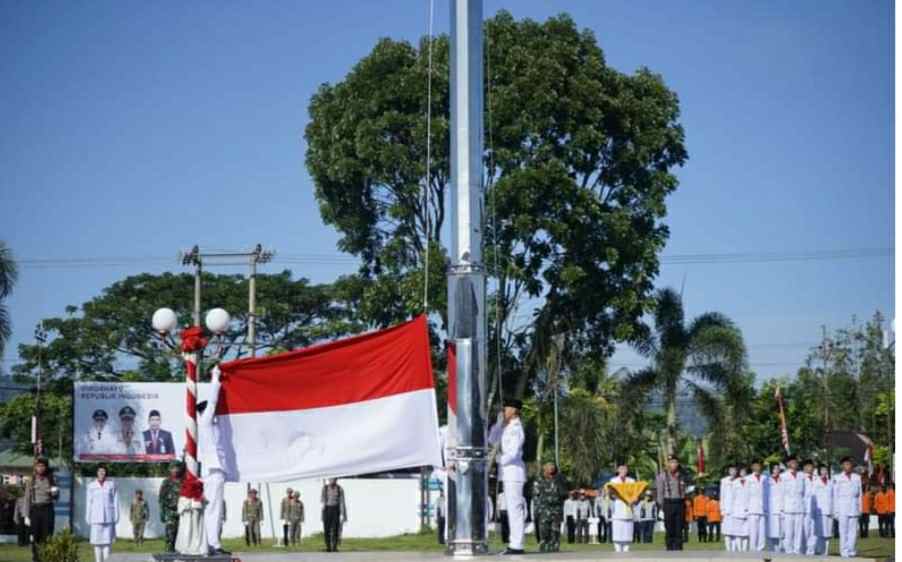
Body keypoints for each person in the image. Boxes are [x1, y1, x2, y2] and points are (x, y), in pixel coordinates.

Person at [487, 397, 527, 555]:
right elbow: (492, 439)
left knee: (515, 509)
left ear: (513, 411)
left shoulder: (516, 428)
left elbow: (513, 453)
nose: (503, 411)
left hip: (514, 472)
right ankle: (514, 543)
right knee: (511, 509)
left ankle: (517, 545)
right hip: (507, 473)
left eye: (506, 409)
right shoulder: (506, 426)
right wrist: (498, 424)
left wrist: (497, 460)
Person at [199, 365, 230, 556]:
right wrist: (215, 378)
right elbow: (212, 402)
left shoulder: (210, 426)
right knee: (214, 510)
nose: (215, 413)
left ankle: (211, 543)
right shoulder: (204, 422)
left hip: (214, 470)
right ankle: (213, 544)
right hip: (213, 471)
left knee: (214, 510)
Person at [24, 457, 58, 562]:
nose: (40, 468)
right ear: (35, 467)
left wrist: (55, 493)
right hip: (35, 510)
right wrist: (26, 515)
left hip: (47, 509)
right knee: (35, 537)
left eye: (43, 466)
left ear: (46, 467)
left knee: (47, 536)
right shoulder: (31, 480)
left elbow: (56, 497)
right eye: (38, 466)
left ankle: (46, 558)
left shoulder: (51, 479)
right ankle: (36, 559)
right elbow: (27, 498)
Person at [86, 465, 119, 562]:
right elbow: (89, 502)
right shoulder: (91, 485)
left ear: (106, 473)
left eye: (103, 471)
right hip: (95, 518)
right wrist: (88, 516)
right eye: (100, 471)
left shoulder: (111, 485)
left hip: (108, 517)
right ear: (97, 472)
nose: (102, 473)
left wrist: (116, 515)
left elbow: (115, 500)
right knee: (97, 543)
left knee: (107, 543)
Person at [534, 462, 568, 552]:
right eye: (549, 467)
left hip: (556, 509)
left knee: (555, 530)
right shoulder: (539, 480)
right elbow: (536, 496)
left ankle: (555, 546)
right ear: (545, 469)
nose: (552, 469)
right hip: (544, 509)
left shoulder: (559, 479)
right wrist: (537, 510)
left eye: (553, 467)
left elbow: (564, 493)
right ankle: (543, 545)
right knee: (544, 529)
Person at [833, 456, 862, 558]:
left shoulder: (857, 477)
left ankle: (852, 550)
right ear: (842, 466)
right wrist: (836, 511)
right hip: (842, 507)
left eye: (849, 464)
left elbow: (860, 495)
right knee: (843, 531)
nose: (848, 466)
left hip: (854, 506)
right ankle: (844, 552)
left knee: (853, 531)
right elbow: (835, 495)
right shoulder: (837, 477)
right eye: (846, 464)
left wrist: (860, 508)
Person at [656, 455, 687, 551]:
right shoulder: (662, 475)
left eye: (675, 462)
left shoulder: (682, 475)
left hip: (680, 502)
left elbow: (688, 488)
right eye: (671, 462)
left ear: (678, 464)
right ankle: (669, 547)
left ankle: (678, 547)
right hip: (668, 502)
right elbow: (660, 492)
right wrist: (661, 506)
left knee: (679, 527)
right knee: (669, 527)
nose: (673, 464)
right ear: (668, 464)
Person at [781, 455, 807, 555]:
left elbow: (804, 492)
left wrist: (803, 506)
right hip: (788, 506)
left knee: (798, 531)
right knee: (789, 531)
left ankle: (797, 550)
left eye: (796, 462)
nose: (794, 464)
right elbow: (781, 493)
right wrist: (782, 509)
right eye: (792, 462)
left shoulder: (801, 475)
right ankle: (789, 551)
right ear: (788, 464)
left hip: (799, 506)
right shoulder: (784, 476)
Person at [609, 463, 637, 553]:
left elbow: (635, 493)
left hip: (629, 506)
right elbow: (611, 494)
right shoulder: (613, 481)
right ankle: (617, 548)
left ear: (627, 470)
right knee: (618, 528)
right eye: (621, 469)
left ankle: (627, 548)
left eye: (625, 469)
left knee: (627, 529)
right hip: (618, 505)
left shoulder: (631, 481)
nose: (623, 471)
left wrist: (634, 499)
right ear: (618, 470)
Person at [158, 461, 183, 552]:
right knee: (170, 533)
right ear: (170, 469)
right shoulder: (166, 482)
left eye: (177, 468)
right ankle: (169, 551)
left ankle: (178, 551)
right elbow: (161, 498)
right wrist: (162, 512)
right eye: (173, 468)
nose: (175, 470)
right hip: (170, 511)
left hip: (182, 512)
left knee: (181, 533)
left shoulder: (184, 481)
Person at [745, 460, 769, 552]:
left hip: (763, 507)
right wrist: (746, 508)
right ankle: (753, 549)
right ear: (752, 467)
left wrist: (767, 507)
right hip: (752, 507)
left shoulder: (765, 478)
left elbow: (767, 494)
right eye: (755, 465)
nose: (757, 467)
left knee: (762, 531)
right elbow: (746, 494)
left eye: (758, 466)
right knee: (753, 530)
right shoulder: (748, 478)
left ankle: (761, 548)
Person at [811, 464, 834, 555]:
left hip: (829, 510)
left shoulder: (831, 482)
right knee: (820, 533)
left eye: (825, 470)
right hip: (820, 511)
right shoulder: (816, 482)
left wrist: (834, 509)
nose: (824, 471)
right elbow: (813, 497)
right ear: (819, 471)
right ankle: (819, 551)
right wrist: (813, 510)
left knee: (828, 534)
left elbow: (833, 497)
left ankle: (826, 552)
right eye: (822, 470)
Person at [321, 478, 347, 552]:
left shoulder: (339, 489)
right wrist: (323, 513)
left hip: (336, 509)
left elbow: (342, 502)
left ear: (336, 480)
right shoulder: (325, 488)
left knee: (335, 529)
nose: (332, 481)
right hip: (327, 509)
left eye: (334, 479)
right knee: (326, 529)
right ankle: (328, 547)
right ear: (329, 480)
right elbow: (322, 500)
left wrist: (342, 513)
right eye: (331, 479)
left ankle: (334, 547)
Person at [767, 464, 783, 552]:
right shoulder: (768, 480)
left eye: (778, 469)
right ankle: (770, 550)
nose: (777, 470)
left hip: (780, 508)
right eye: (775, 468)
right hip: (771, 509)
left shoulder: (782, 479)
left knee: (780, 532)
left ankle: (779, 550)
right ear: (772, 470)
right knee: (771, 531)